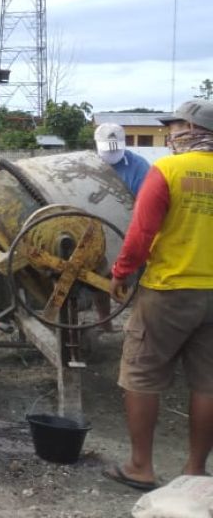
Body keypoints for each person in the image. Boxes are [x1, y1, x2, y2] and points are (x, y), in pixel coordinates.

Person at [104, 99, 213, 491]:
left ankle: (141, 467)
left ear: (189, 127)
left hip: (169, 289)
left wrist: (121, 273)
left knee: (141, 373)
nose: (169, 133)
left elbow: (141, 232)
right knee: (207, 383)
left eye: (174, 126)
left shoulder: (167, 169)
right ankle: (196, 472)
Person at [95, 122, 152, 197]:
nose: (112, 154)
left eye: (116, 150)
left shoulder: (141, 167)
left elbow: (148, 199)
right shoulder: (88, 164)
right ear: (97, 144)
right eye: (108, 150)